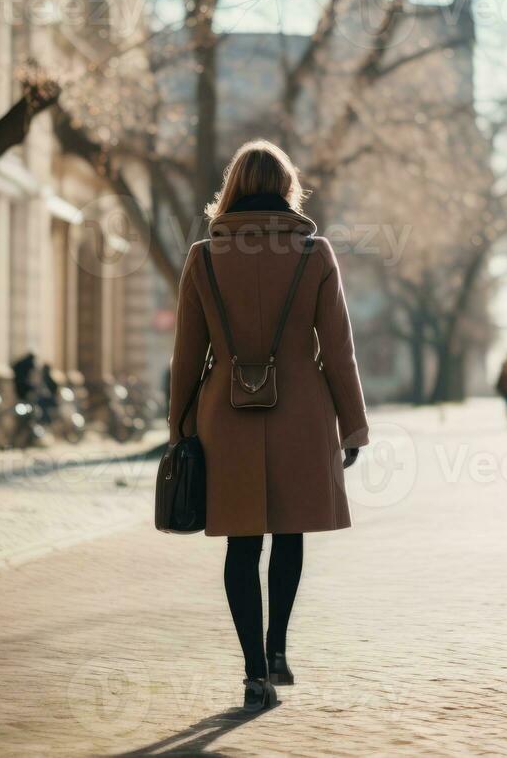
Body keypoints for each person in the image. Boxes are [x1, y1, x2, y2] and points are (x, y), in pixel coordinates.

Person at [168, 139, 368, 713]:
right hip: (302, 413)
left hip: (222, 417)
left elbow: (186, 355)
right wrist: (352, 427)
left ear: (232, 188)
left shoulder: (204, 257)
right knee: (289, 533)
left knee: (239, 543)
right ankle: (278, 651)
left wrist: (180, 424)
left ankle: (254, 675)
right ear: (287, 189)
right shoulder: (315, 253)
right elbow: (339, 351)